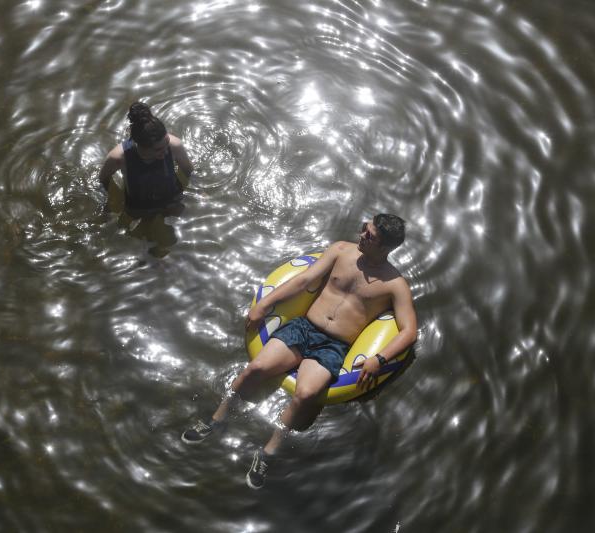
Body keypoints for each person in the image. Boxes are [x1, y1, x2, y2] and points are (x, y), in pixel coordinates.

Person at [181, 214, 418, 489]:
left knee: (305, 395)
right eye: (366, 228)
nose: (362, 234)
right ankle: (216, 419)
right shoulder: (341, 250)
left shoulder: (394, 285)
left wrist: (379, 359)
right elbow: (303, 280)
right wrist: (264, 304)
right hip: (303, 327)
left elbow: (408, 330)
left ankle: (267, 452)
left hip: (335, 346)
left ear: (386, 247)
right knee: (255, 368)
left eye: (371, 236)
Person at [98, 102, 194, 215]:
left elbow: (189, 171)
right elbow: (103, 179)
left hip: (173, 199)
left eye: (166, 142)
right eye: (158, 150)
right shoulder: (119, 158)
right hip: (138, 206)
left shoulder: (174, 145)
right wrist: (111, 201)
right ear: (141, 146)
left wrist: (200, 192)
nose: (165, 151)